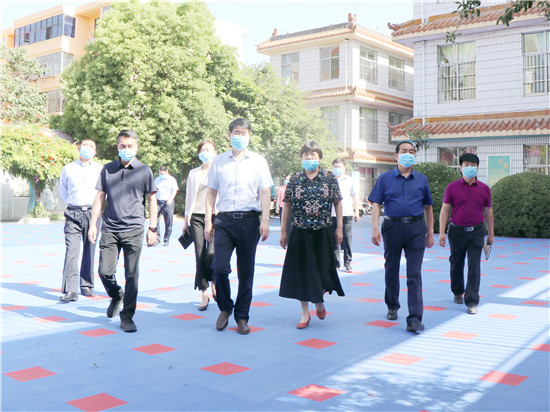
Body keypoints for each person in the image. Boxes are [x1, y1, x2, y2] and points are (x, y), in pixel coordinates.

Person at [204, 118, 273, 335]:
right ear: (229, 135)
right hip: (223, 221)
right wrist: (208, 220)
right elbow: (211, 192)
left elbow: (265, 192)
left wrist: (265, 220)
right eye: (236, 132)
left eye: (244, 133)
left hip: (249, 221)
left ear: (249, 136)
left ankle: (242, 316)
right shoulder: (219, 161)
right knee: (219, 267)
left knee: (246, 271)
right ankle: (225, 307)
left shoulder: (259, 161)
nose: (240, 137)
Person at [88, 130, 158, 333]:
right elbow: (99, 197)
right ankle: (117, 294)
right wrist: (93, 224)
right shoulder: (108, 169)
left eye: (130, 146)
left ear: (136, 147)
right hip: (110, 228)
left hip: (134, 229)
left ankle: (127, 317)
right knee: (104, 272)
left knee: (132, 275)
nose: (126, 149)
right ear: (117, 147)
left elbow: (152, 199)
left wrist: (153, 228)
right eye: (122, 146)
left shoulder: (144, 170)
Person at [369, 141, 434, 333]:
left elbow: (428, 207)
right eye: (404, 151)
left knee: (414, 273)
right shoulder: (385, 178)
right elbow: (376, 204)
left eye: (412, 152)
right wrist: (374, 227)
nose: (408, 154)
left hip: (416, 228)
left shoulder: (422, 179)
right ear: (396, 156)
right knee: (391, 268)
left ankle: (414, 318)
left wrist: (430, 232)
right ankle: (392, 305)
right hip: (392, 228)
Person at [279, 142, 345, 329]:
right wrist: (283, 231)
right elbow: (287, 204)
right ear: (301, 158)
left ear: (320, 158)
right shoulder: (295, 179)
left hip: (323, 231)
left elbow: (337, 202)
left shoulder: (328, 177)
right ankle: (305, 313)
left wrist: (339, 227)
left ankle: (319, 302)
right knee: (302, 272)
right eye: (306, 155)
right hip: (300, 231)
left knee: (322, 269)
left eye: (313, 155)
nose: (309, 158)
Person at [439, 153, 494, 315]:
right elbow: (445, 209)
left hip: (476, 232)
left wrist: (491, 234)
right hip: (456, 231)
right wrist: (441, 232)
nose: (470, 167)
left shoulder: (484, 189)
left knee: (474, 266)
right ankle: (457, 291)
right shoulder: (452, 187)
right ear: (461, 168)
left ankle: (472, 301)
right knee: (456, 263)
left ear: (477, 168)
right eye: (466, 164)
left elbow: (488, 211)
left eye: (473, 165)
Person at [58, 138, 103, 302]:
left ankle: (87, 285)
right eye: (85, 145)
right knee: (71, 251)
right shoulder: (68, 168)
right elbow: (63, 190)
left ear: (95, 152)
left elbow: (103, 193)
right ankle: (70, 290)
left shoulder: (100, 169)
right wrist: (73, 204)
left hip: (93, 213)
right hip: (73, 213)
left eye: (92, 146)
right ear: (78, 148)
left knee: (90, 249)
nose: (88, 148)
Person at [183, 140, 218, 311]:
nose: (205, 152)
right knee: (199, 253)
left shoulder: (219, 171)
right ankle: (204, 292)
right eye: (202, 150)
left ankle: (215, 282)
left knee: (211, 254)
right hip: (196, 216)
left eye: (208, 149)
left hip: (215, 216)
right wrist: (186, 220)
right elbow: (189, 197)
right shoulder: (193, 173)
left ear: (215, 152)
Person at [331, 158, 360, 272]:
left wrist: (356, 211)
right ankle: (335, 263)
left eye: (339, 166)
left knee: (347, 238)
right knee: (334, 239)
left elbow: (355, 196)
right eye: (335, 166)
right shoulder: (329, 180)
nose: (337, 169)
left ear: (344, 167)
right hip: (332, 214)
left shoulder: (350, 180)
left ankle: (347, 262)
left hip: (346, 213)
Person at [155, 165, 178, 246]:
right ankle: (157, 238)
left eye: (162, 174)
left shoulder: (172, 179)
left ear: (166, 172)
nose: (161, 175)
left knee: (168, 221)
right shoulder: (157, 179)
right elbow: (154, 189)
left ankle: (166, 239)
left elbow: (174, 191)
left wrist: (170, 199)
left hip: (168, 202)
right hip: (158, 202)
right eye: (160, 173)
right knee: (156, 221)